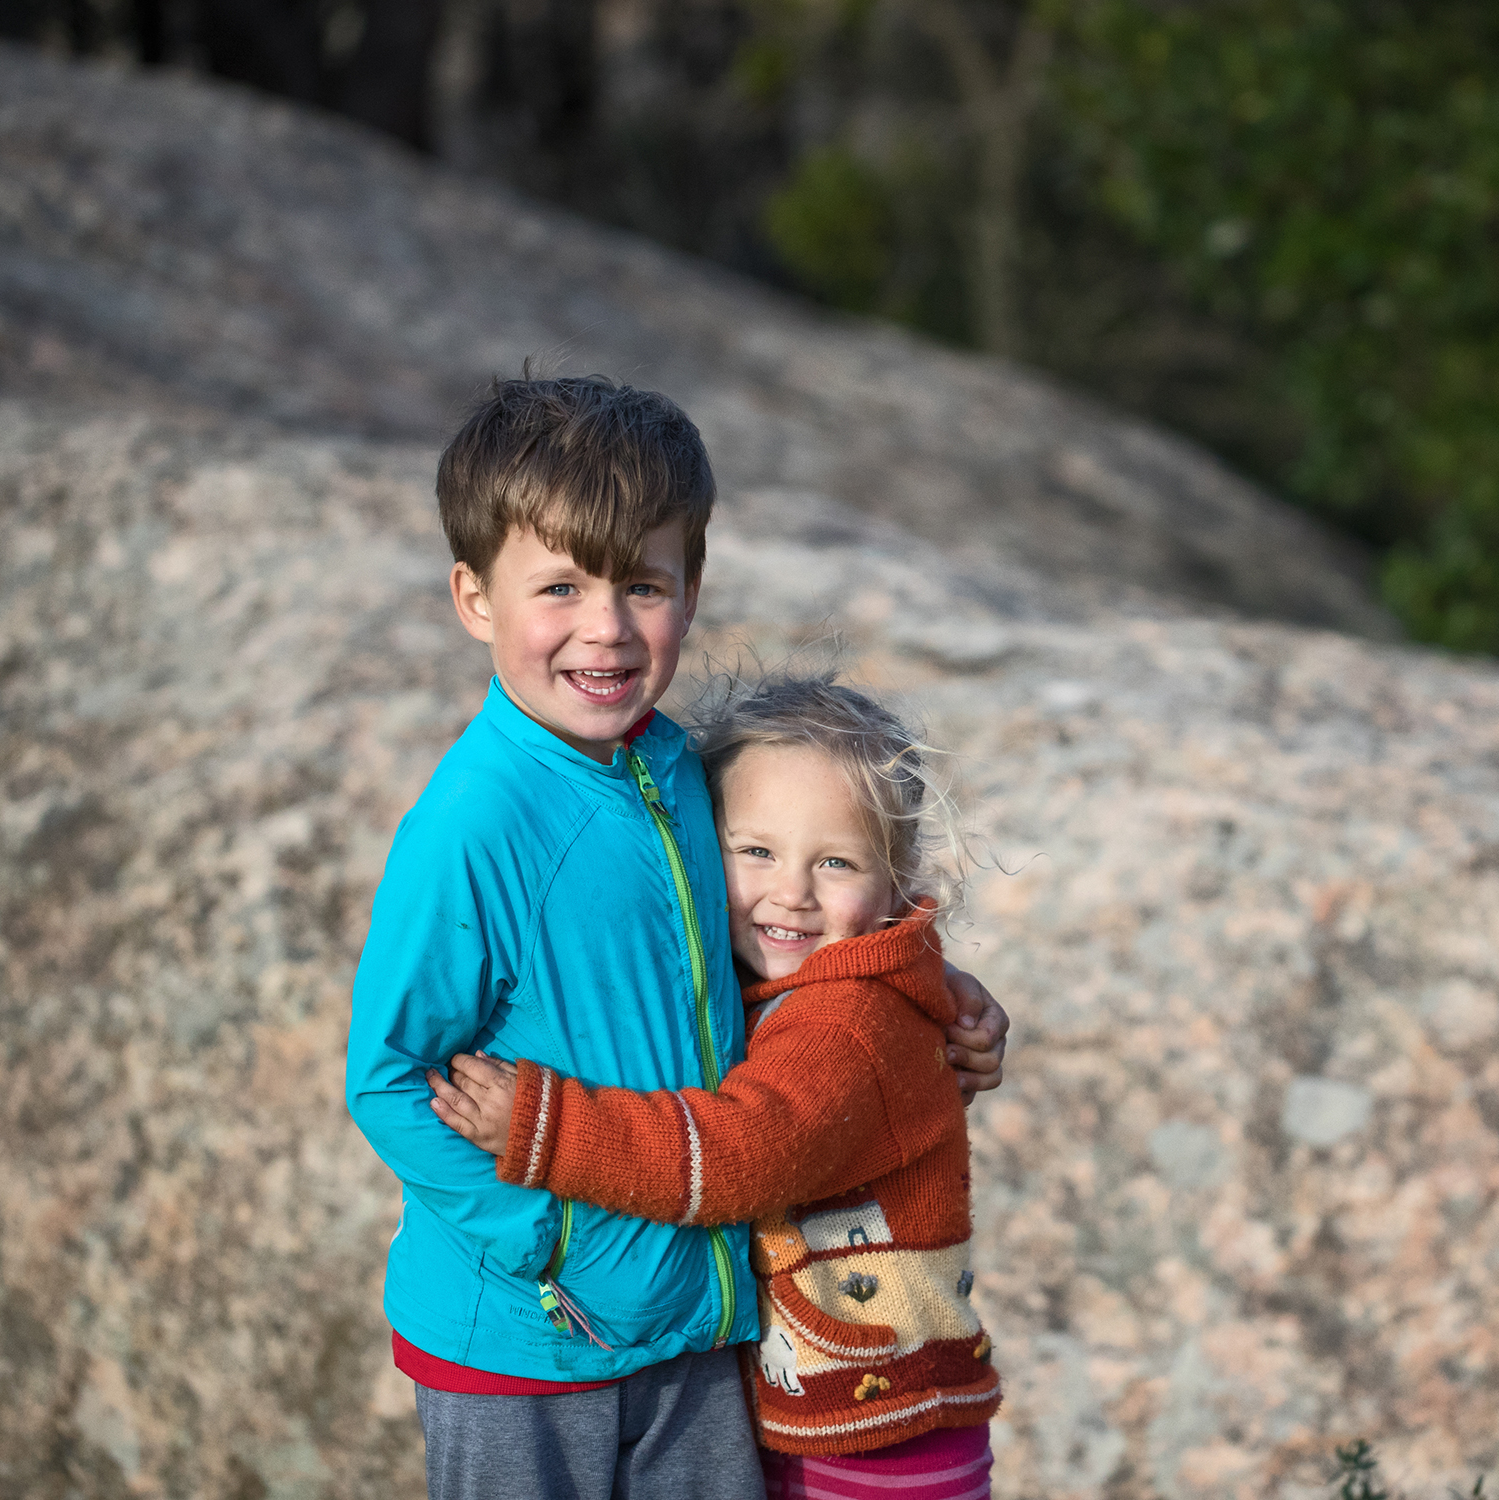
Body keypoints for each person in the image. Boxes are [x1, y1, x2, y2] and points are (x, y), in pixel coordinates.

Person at [344, 374, 1006, 1500]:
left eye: (642, 586)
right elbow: (390, 1081)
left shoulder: (677, 773)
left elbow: (784, 937)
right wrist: (548, 1249)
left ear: (692, 590)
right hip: (529, 1346)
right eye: (557, 587)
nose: (604, 629)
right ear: (473, 598)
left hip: (701, 1323)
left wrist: (938, 991)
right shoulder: (471, 826)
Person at [430, 673, 1002, 1500]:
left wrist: (546, 1127)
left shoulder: (849, 1024)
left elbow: (741, 1155)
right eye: (756, 851)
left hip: (877, 1450)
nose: (792, 892)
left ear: (896, 887)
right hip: (839, 1422)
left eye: (835, 862)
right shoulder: (798, 988)